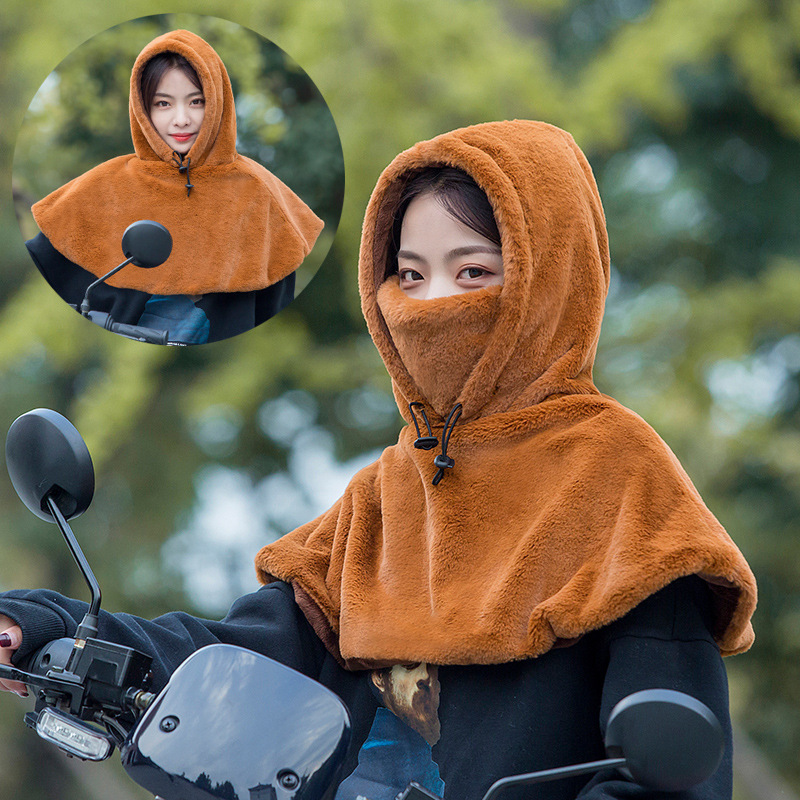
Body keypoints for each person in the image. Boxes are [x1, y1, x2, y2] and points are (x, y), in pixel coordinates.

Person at [0, 121, 757, 799]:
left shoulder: (620, 478)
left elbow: (668, 769)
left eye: (474, 273)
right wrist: (49, 626)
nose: (429, 307)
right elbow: (235, 666)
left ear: (550, 278)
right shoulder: (387, 495)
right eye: (411, 275)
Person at [25, 29, 325, 344]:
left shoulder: (260, 194)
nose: (181, 119)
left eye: (196, 101)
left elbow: (272, 317)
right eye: (163, 103)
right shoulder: (101, 188)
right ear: (143, 108)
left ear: (217, 102)